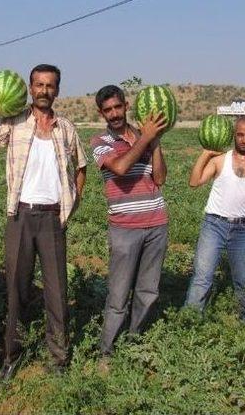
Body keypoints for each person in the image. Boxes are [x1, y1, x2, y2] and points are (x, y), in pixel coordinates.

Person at [0, 64, 87, 381]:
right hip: (21, 216)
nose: (44, 91)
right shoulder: (12, 124)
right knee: (16, 290)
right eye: (39, 85)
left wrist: (71, 205)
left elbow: (81, 168)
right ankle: (11, 356)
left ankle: (59, 359)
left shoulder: (66, 128)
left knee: (56, 292)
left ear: (57, 90)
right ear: (30, 86)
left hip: (53, 218)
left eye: (50, 86)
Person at [90, 85, 169, 362]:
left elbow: (159, 179)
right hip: (124, 227)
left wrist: (154, 142)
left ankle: (134, 341)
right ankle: (107, 353)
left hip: (156, 222)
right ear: (101, 112)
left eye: (118, 107)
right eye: (108, 110)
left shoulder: (143, 136)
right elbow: (121, 169)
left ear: (126, 105)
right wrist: (145, 139)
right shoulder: (100, 142)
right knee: (118, 294)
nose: (114, 114)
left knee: (148, 291)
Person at [184, 116, 245, 323]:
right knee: (202, 277)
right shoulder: (219, 160)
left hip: (243, 229)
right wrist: (206, 153)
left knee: (243, 279)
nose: (244, 140)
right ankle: (189, 321)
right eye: (240, 135)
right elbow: (194, 182)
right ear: (233, 135)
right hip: (214, 225)